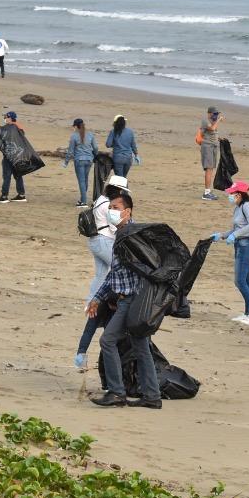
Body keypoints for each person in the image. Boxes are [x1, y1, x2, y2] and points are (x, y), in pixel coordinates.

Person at [86, 191, 161, 408]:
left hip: (132, 300)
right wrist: (98, 298)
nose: (111, 212)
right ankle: (152, 396)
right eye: (110, 208)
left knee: (107, 341)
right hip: (128, 299)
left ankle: (117, 392)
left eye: (116, 208)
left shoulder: (131, 236)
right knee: (140, 345)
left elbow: (143, 269)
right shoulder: (123, 234)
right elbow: (115, 273)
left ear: (127, 212)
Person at [75, 175, 129, 370]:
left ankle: (92, 302)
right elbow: (116, 223)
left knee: (100, 273)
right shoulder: (109, 205)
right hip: (104, 240)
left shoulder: (100, 199)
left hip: (95, 241)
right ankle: (102, 301)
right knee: (116, 269)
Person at [213, 181, 249, 325]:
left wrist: (235, 235)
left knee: (239, 281)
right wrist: (222, 235)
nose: (230, 196)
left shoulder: (247, 206)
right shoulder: (238, 207)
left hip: (247, 245)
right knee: (246, 280)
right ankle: (248, 313)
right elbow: (236, 228)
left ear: (239, 194)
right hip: (239, 244)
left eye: (232, 194)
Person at [0, 111, 29, 203]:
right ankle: (21, 195)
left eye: (6, 117)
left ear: (10, 118)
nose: (5, 119)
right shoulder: (19, 128)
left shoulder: (6, 129)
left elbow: (0, 142)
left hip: (9, 156)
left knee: (7, 176)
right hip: (18, 156)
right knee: (18, 175)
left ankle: (4, 196)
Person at [64, 118, 99, 206]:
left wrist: (66, 162)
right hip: (89, 160)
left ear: (76, 126)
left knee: (81, 181)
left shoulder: (74, 136)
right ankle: (82, 199)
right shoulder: (90, 134)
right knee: (85, 180)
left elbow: (70, 151)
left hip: (79, 160)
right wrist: (95, 156)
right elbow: (95, 148)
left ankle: (83, 201)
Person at [199, 105, 223, 201]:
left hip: (213, 147)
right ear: (209, 114)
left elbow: (213, 132)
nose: (216, 116)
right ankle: (206, 193)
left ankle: (208, 191)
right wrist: (219, 120)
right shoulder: (206, 121)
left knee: (211, 168)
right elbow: (212, 129)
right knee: (209, 169)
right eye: (215, 114)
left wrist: (219, 139)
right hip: (207, 147)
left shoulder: (213, 121)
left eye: (217, 114)